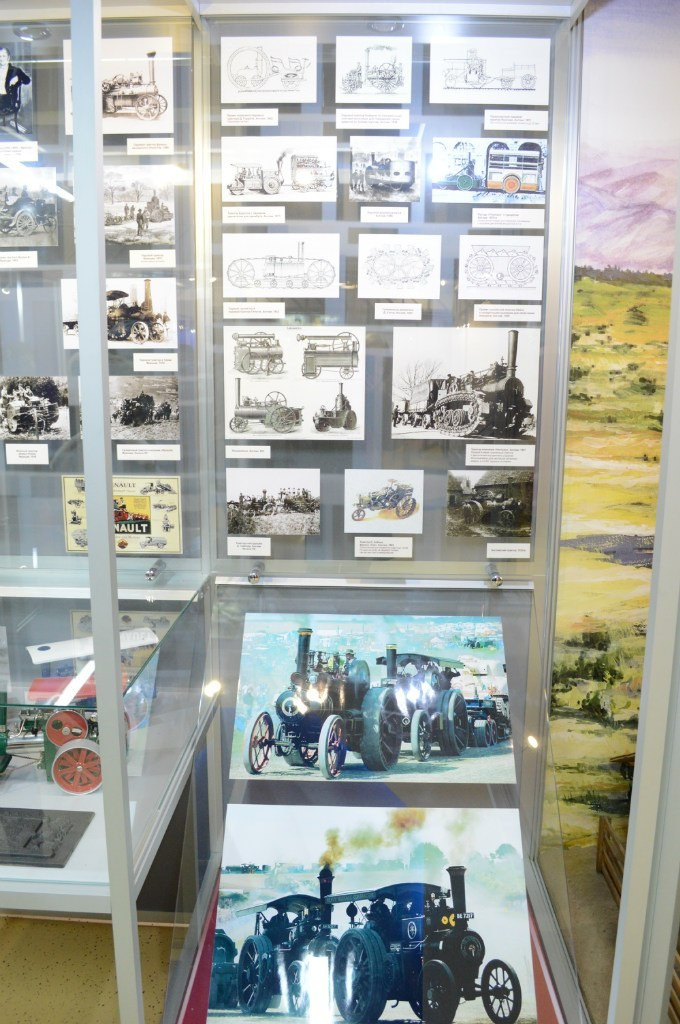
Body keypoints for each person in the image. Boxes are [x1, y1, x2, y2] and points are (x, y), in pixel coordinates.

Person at [0, 48, 31, 121]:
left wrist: (18, 78)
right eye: (0, 56)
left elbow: (27, 80)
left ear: (8, 58)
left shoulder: (15, 71)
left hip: (8, 100)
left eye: (4, 56)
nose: (1, 59)